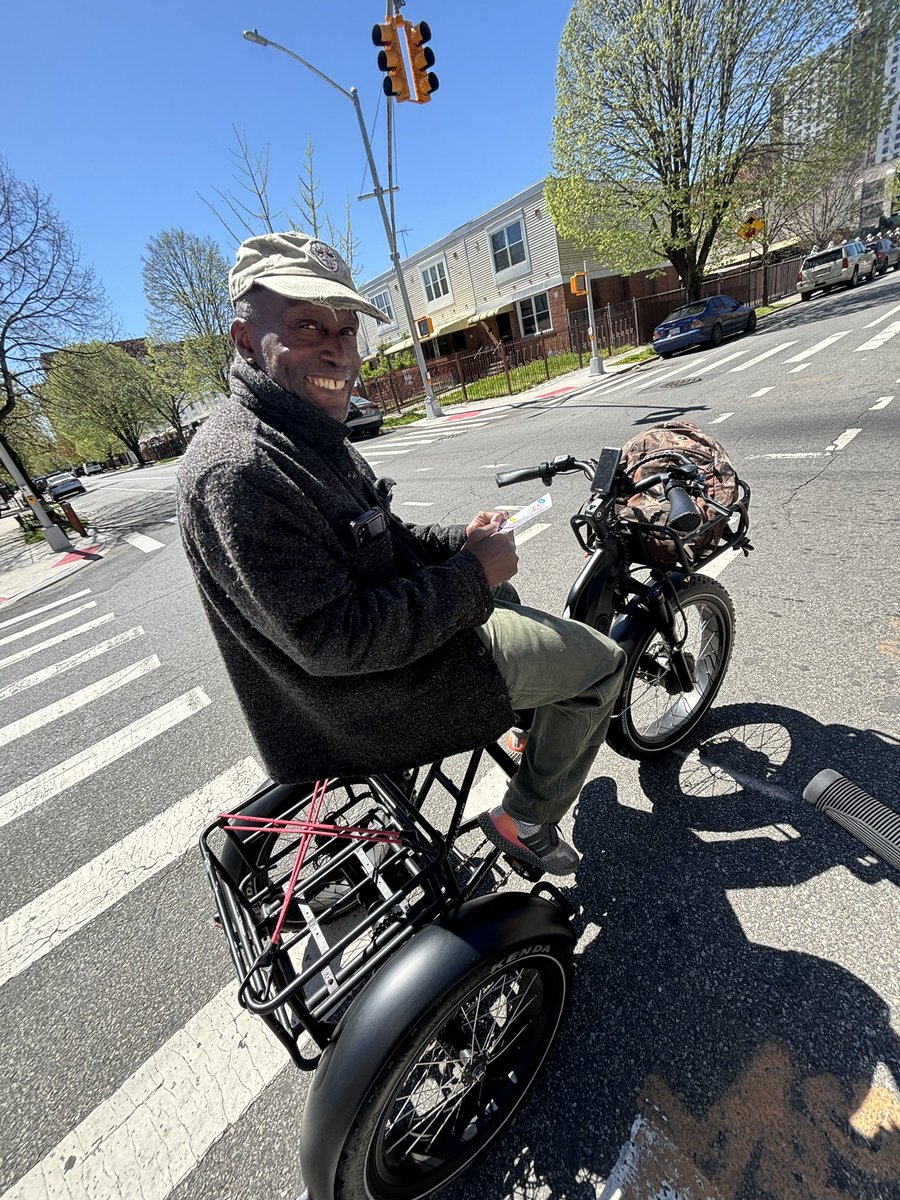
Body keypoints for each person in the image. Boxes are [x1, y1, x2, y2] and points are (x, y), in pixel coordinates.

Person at [177, 231, 625, 875]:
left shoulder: (302, 431)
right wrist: (471, 576)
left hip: (375, 674)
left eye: (347, 329)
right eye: (306, 326)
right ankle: (527, 817)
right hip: (368, 702)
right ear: (247, 339)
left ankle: (529, 720)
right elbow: (334, 639)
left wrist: (460, 548)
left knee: (504, 592)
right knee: (602, 665)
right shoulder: (243, 468)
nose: (337, 348)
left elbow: (380, 534)